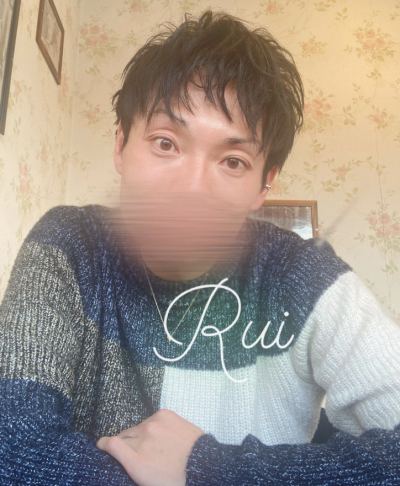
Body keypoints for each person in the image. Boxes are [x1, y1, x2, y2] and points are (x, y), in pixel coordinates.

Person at [1, 10, 400, 486]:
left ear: (264, 185)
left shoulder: (303, 277)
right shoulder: (71, 247)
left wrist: (209, 469)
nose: (191, 189)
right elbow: (11, 450)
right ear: (121, 144)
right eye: (165, 143)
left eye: (233, 161)